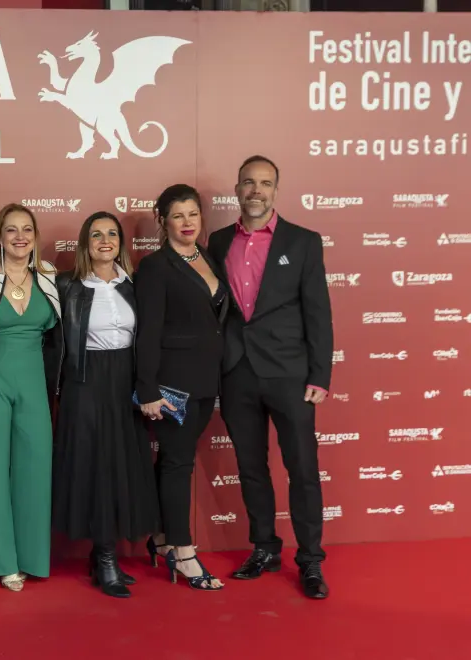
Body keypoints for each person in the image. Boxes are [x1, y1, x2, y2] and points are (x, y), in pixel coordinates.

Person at [207, 155, 333, 600]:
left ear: (275, 190)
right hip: (238, 371)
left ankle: (311, 562)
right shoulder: (218, 240)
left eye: (265, 183)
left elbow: (318, 311)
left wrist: (321, 373)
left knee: (302, 468)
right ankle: (264, 547)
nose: (256, 191)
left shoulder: (303, 242)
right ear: (237, 189)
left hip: (290, 374)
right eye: (248, 183)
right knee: (251, 468)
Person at [52, 211, 161, 599]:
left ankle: (104, 555)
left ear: (120, 242)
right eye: (96, 234)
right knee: (93, 467)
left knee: (121, 468)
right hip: (86, 382)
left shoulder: (135, 285)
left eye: (112, 234)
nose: (105, 240)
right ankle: (105, 558)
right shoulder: (67, 285)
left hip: (125, 383)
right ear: (85, 243)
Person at [0, 203, 63, 592]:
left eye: (27, 230)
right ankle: (0, 561)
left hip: (34, 383)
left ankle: (32, 556)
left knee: (35, 469)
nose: (20, 237)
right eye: (11, 230)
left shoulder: (50, 276)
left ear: (35, 237)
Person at [134, 184, 228, 591]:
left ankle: (158, 536)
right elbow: (149, 331)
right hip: (172, 385)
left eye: (193, 214)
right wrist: (148, 388)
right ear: (163, 221)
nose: (187, 222)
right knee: (177, 464)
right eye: (178, 215)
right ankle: (183, 552)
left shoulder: (207, 256)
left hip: (207, 381)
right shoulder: (156, 266)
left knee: (174, 461)